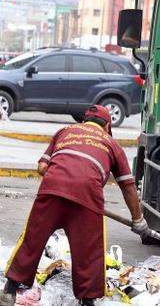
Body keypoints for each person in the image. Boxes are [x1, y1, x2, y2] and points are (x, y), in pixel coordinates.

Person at [0, 105, 150, 306]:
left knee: (32, 239)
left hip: (51, 190)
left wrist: (62, 177)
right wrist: (138, 220)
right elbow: (128, 185)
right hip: (87, 197)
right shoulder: (112, 144)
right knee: (89, 250)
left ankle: (10, 289)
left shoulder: (64, 132)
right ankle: (87, 301)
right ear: (108, 125)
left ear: (84, 121)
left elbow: (42, 167)